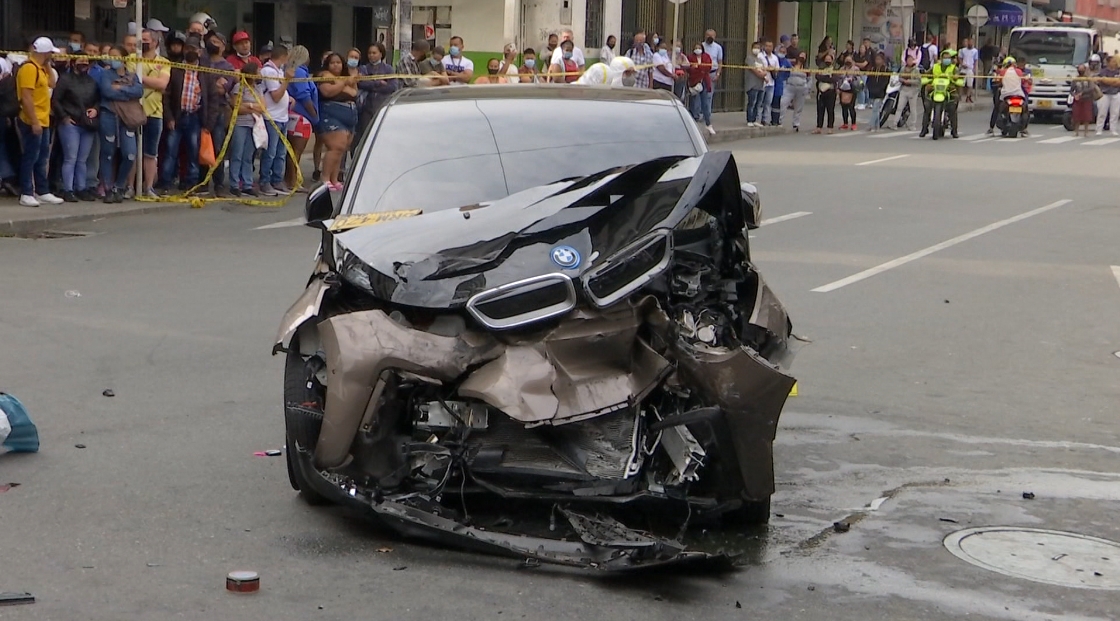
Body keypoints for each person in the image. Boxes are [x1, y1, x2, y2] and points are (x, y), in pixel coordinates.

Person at [16, 37, 63, 207]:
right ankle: (26, 191)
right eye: (50, 53)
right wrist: (34, 121)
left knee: (42, 157)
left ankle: (42, 190)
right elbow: (26, 97)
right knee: (31, 156)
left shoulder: (41, 69)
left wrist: (47, 64)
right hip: (32, 119)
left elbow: (52, 83)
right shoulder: (29, 69)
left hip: (43, 119)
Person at [160, 34, 209, 193]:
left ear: (200, 52)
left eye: (194, 49)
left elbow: (212, 97)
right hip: (176, 116)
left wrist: (208, 122)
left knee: (193, 153)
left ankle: (191, 184)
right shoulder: (176, 69)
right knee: (170, 152)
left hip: (194, 117)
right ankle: (165, 184)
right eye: (188, 48)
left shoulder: (204, 72)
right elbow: (166, 96)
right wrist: (169, 117)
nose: (191, 51)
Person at [96, 45, 143, 204]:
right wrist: (127, 93)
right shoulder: (106, 74)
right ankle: (108, 188)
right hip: (109, 115)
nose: (112, 59)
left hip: (127, 119)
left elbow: (139, 91)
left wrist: (120, 88)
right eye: (110, 56)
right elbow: (107, 92)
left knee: (130, 154)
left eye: (116, 56)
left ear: (123, 58)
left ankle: (119, 185)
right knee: (108, 152)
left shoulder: (132, 76)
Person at [51, 52, 99, 202]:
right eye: (80, 60)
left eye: (86, 61)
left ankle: (81, 188)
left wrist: (96, 109)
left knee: (82, 159)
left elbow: (97, 99)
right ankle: (68, 189)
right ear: (73, 62)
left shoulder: (91, 81)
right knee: (70, 158)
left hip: (87, 123)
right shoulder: (65, 79)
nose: (84, 63)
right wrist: (64, 117)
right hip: (70, 123)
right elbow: (56, 100)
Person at [316, 52, 358, 191]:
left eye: (339, 62)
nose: (336, 65)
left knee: (341, 149)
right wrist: (344, 84)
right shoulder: (324, 76)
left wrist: (341, 83)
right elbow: (328, 92)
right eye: (333, 62)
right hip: (331, 115)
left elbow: (354, 93)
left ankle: (334, 179)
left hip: (349, 116)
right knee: (335, 147)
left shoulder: (345, 77)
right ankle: (325, 178)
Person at [202, 30, 234, 196]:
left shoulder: (228, 67)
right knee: (201, 145)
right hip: (201, 108)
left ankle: (219, 183)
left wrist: (210, 85)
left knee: (218, 146)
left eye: (216, 41)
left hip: (220, 111)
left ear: (223, 45)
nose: (212, 44)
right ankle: (202, 181)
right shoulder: (202, 62)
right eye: (211, 41)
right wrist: (214, 83)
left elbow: (223, 89)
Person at [138, 28, 169, 198]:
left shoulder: (164, 62)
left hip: (155, 112)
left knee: (151, 153)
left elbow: (162, 84)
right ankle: (130, 186)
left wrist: (141, 78)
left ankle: (149, 187)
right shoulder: (132, 59)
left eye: (145, 39)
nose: (142, 42)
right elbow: (129, 80)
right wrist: (152, 82)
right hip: (133, 111)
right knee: (133, 152)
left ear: (155, 42)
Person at [257, 44, 291, 196]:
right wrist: (287, 81)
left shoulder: (279, 71)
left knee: (280, 152)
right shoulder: (268, 71)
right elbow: (275, 96)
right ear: (283, 57)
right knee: (270, 151)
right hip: (272, 117)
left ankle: (277, 179)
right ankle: (265, 181)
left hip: (283, 116)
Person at [284, 45, 318, 191]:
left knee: (292, 151)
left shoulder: (292, 71)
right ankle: (293, 182)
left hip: (293, 114)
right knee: (296, 151)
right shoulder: (299, 73)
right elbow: (303, 95)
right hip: (301, 116)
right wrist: (313, 114)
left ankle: (289, 179)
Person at [228, 62, 263, 197]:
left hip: (254, 125)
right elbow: (238, 107)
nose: (260, 74)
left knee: (248, 156)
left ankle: (247, 184)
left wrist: (248, 106)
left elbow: (263, 107)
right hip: (240, 124)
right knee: (237, 154)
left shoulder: (258, 89)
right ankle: (234, 184)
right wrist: (253, 106)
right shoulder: (239, 87)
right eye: (257, 71)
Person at [355, 42, 397, 144]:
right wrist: (378, 83)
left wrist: (372, 86)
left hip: (382, 106)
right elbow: (361, 84)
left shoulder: (388, 69)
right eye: (369, 53)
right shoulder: (363, 69)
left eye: (374, 53)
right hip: (366, 108)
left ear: (381, 54)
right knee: (366, 136)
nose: (371, 55)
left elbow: (392, 87)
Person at [920, 49, 963, 138]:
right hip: (935, 90)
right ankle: (924, 129)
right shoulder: (935, 67)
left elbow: (958, 77)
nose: (946, 59)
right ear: (941, 58)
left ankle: (954, 131)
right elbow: (926, 75)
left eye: (948, 58)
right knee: (927, 106)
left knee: (952, 109)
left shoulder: (954, 68)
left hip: (949, 91)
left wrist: (956, 78)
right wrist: (926, 80)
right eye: (944, 58)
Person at [780, 52, 809, 131]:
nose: (802, 57)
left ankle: (796, 123)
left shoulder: (806, 68)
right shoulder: (791, 65)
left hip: (801, 89)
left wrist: (807, 88)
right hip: (790, 87)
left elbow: (809, 79)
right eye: (801, 55)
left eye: (804, 56)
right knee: (783, 103)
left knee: (798, 107)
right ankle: (780, 121)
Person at [813, 52, 837, 134]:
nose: (827, 61)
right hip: (821, 92)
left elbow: (834, 79)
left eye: (829, 59)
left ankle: (830, 127)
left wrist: (824, 78)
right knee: (820, 110)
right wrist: (826, 77)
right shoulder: (820, 68)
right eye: (826, 59)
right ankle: (819, 127)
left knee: (830, 110)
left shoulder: (834, 69)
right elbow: (817, 77)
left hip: (830, 92)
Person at [756, 38, 779, 126]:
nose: (768, 48)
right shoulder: (760, 56)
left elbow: (777, 69)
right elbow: (757, 67)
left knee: (768, 102)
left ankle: (764, 119)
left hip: (771, 83)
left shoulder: (775, 58)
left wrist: (773, 69)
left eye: (770, 46)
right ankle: (757, 119)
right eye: (767, 46)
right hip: (762, 82)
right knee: (759, 102)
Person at [1096, 55, 1120, 136]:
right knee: (1102, 112)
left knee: (1115, 113)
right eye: (1113, 61)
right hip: (1105, 94)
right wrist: (1110, 81)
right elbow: (1100, 80)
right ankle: (1099, 129)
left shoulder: (1118, 71)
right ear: (1108, 63)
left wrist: (1108, 81)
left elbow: (1117, 83)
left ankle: (1113, 129)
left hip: (1116, 93)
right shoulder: (1103, 71)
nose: (1115, 63)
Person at [865, 53, 890, 132]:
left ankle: (871, 125)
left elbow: (886, 82)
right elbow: (869, 80)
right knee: (876, 109)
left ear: (883, 60)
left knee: (875, 109)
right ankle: (877, 126)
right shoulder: (873, 69)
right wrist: (870, 88)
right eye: (876, 59)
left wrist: (881, 89)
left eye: (879, 59)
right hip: (873, 92)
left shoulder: (886, 70)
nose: (877, 61)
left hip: (880, 92)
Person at [898, 52, 922, 132]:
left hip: (913, 90)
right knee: (899, 107)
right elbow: (899, 77)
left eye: (911, 60)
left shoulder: (916, 70)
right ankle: (894, 123)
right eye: (908, 60)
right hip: (904, 89)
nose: (909, 61)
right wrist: (903, 80)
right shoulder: (903, 68)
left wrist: (910, 81)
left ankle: (913, 125)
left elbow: (918, 81)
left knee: (913, 109)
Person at [1070, 64, 1095, 137]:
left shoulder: (1088, 79)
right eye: (1079, 69)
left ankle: (1086, 131)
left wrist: (1082, 93)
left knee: (1086, 116)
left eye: (1082, 69)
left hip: (1087, 99)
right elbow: (1071, 90)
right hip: (1078, 100)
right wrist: (1075, 95)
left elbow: (1091, 88)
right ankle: (1076, 131)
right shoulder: (1075, 79)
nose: (1081, 71)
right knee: (1076, 116)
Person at [744, 41, 765, 127]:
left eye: (758, 48)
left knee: (758, 103)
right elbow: (754, 70)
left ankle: (755, 119)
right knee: (751, 102)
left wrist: (764, 75)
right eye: (755, 47)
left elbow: (764, 69)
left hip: (760, 84)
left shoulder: (760, 60)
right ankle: (749, 119)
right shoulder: (749, 58)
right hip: (752, 84)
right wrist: (761, 74)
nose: (756, 49)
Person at [837, 53, 860, 130]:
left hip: (852, 90)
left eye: (849, 60)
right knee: (844, 108)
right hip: (843, 90)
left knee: (851, 107)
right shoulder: (841, 69)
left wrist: (852, 79)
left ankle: (853, 124)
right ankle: (845, 123)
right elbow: (838, 79)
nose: (847, 61)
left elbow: (858, 79)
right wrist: (838, 89)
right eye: (846, 60)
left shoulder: (856, 69)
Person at [770, 44, 791, 126]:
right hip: (771, 83)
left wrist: (784, 79)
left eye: (784, 52)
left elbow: (789, 72)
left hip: (780, 86)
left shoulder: (786, 62)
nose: (782, 53)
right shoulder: (774, 59)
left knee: (778, 104)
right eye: (780, 51)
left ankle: (776, 120)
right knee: (769, 103)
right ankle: (767, 120)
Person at [853, 38, 872, 109]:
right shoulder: (857, 55)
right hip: (857, 73)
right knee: (859, 87)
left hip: (864, 73)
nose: (861, 49)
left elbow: (864, 64)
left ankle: (862, 103)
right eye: (860, 47)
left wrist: (856, 64)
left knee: (862, 87)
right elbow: (853, 63)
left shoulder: (867, 55)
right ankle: (863, 102)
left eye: (863, 48)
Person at [959, 38, 979, 103]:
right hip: (963, 69)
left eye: (971, 42)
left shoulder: (975, 51)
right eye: (969, 42)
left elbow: (975, 61)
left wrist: (975, 69)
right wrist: (962, 64)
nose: (970, 43)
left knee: (970, 84)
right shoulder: (963, 50)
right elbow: (960, 58)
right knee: (961, 83)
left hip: (970, 69)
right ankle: (960, 96)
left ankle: (968, 97)